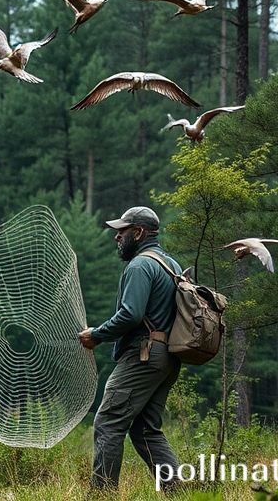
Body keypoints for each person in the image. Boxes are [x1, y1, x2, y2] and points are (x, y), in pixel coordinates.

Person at [78, 205, 182, 491]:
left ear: (138, 233)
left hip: (144, 354)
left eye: (122, 231)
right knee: (145, 430)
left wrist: (97, 335)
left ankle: (102, 495)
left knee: (109, 422)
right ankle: (180, 494)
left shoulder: (139, 266)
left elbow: (131, 315)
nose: (117, 237)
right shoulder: (169, 264)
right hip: (167, 358)